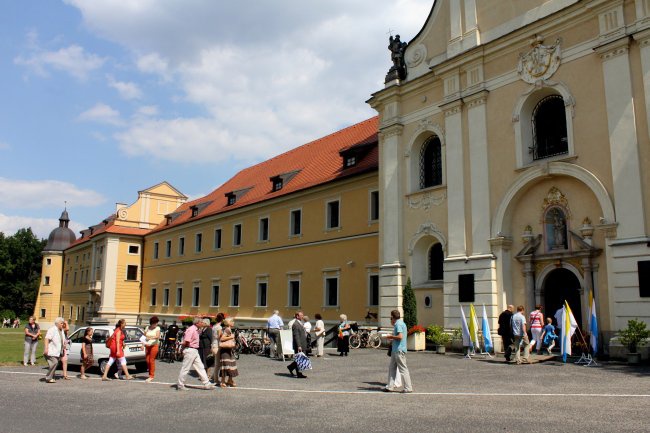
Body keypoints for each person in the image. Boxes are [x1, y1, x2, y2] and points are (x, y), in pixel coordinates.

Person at [177, 317, 214, 390]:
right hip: (190, 350)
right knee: (185, 368)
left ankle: (207, 383)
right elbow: (187, 341)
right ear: (197, 323)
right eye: (201, 322)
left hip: (194, 350)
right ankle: (180, 385)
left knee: (200, 367)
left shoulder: (196, 329)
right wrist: (182, 349)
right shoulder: (191, 329)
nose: (202, 323)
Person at [384, 310, 413, 393]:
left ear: (393, 317)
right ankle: (390, 386)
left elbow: (400, 336)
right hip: (396, 349)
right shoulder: (402, 323)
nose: (391, 319)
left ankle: (408, 387)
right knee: (392, 368)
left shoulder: (398, 324)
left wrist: (391, 336)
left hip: (398, 350)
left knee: (403, 369)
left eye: (391, 317)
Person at [286, 311, 308, 378]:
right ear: (297, 316)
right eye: (301, 315)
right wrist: (299, 346)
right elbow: (296, 336)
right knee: (300, 359)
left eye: (302, 315)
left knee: (300, 359)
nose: (302, 316)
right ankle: (299, 373)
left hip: (302, 343)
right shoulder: (295, 324)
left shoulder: (300, 323)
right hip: (299, 345)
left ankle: (290, 367)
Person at [43, 317, 65, 383]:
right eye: (61, 323)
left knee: (54, 364)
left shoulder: (61, 330)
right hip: (51, 351)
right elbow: (47, 338)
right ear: (57, 323)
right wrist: (46, 348)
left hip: (58, 351)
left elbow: (61, 340)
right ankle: (48, 377)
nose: (62, 324)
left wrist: (63, 346)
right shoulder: (52, 329)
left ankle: (52, 376)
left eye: (63, 323)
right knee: (54, 363)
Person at [218, 318, 239, 387]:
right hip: (225, 350)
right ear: (228, 322)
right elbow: (222, 338)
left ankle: (230, 380)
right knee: (226, 366)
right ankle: (223, 381)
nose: (233, 322)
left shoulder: (228, 329)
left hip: (229, 350)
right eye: (232, 321)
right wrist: (231, 337)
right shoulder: (227, 329)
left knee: (231, 365)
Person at [144, 316, 161, 383]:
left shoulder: (157, 328)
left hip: (154, 345)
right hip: (147, 345)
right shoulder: (147, 328)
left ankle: (151, 376)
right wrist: (143, 344)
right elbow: (144, 336)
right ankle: (150, 370)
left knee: (151, 360)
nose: (156, 324)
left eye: (157, 323)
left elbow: (157, 336)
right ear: (152, 323)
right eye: (155, 323)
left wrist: (150, 338)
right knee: (147, 360)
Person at [209, 313, 225, 383]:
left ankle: (213, 376)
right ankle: (215, 379)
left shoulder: (214, 326)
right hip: (217, 346)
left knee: (216, 362)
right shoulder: (219, 327)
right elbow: (219, 336)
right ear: (222, 319)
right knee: (217, 363)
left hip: (213, 344)